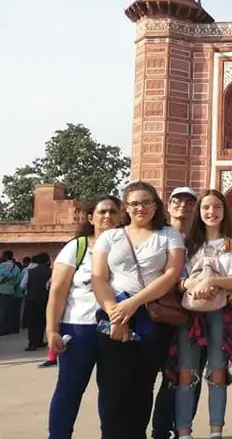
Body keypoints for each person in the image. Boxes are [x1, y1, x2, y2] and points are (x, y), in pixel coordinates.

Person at [91, 181, 186, 438]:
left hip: (151, 316)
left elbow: (171, 275)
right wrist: (116, 312)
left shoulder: (168, 234)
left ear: (156, 205)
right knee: (112, 387)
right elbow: (98, 277)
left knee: (142, 386)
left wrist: (132, 304)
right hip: (113, 312)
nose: (140, 208)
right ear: (126, 208)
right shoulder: (111, 236)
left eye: (146, 202)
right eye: (134, 203)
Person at [171, 189, 232, 439]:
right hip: (192, 311)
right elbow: (176, 279)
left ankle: (216, 431)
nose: (211, 212)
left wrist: (212, 282)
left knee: (218, 373)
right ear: (199, 211)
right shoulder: (187, 243)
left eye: (217, 207)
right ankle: (184, 432)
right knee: (186, 373)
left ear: (224, 210)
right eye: (206, 207)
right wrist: (194, 286)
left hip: (222, 310)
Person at [46, 196, 122, 439]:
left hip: (114, 326)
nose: (108, 216)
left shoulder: (124, 246)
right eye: (102, 212)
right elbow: (58, 291)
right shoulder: (77, 247)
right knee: (69, 388)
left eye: (113, 211)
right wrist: (52, 330)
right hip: (79, 328)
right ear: (91, 218)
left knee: (111, 391)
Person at [153, 186, 200, 439]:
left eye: (189, 201)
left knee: (190, 377)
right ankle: (160, 430)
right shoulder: (156, 237)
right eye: (177, 200)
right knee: (163, 377)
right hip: (161, 315)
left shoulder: (203, 240)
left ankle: (182, 429)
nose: (183, 205)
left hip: (195, 318)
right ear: (168, 205)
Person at [23, 252, 52, 351]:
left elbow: (22, 285)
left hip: (31, 298)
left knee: (32, 321)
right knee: (42, 320)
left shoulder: (29, 271)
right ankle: (39, 340)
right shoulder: (51, 271)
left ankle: (32, 343)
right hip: (45, 298)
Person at [0, 249, 24, 335]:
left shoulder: (2, 266)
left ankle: (2, 329)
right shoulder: (16, 267)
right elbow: (18, 280)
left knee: (1, 311)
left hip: (1, 290)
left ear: (5, 256)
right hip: (10, 291)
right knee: (6, 311)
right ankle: (6, 328)